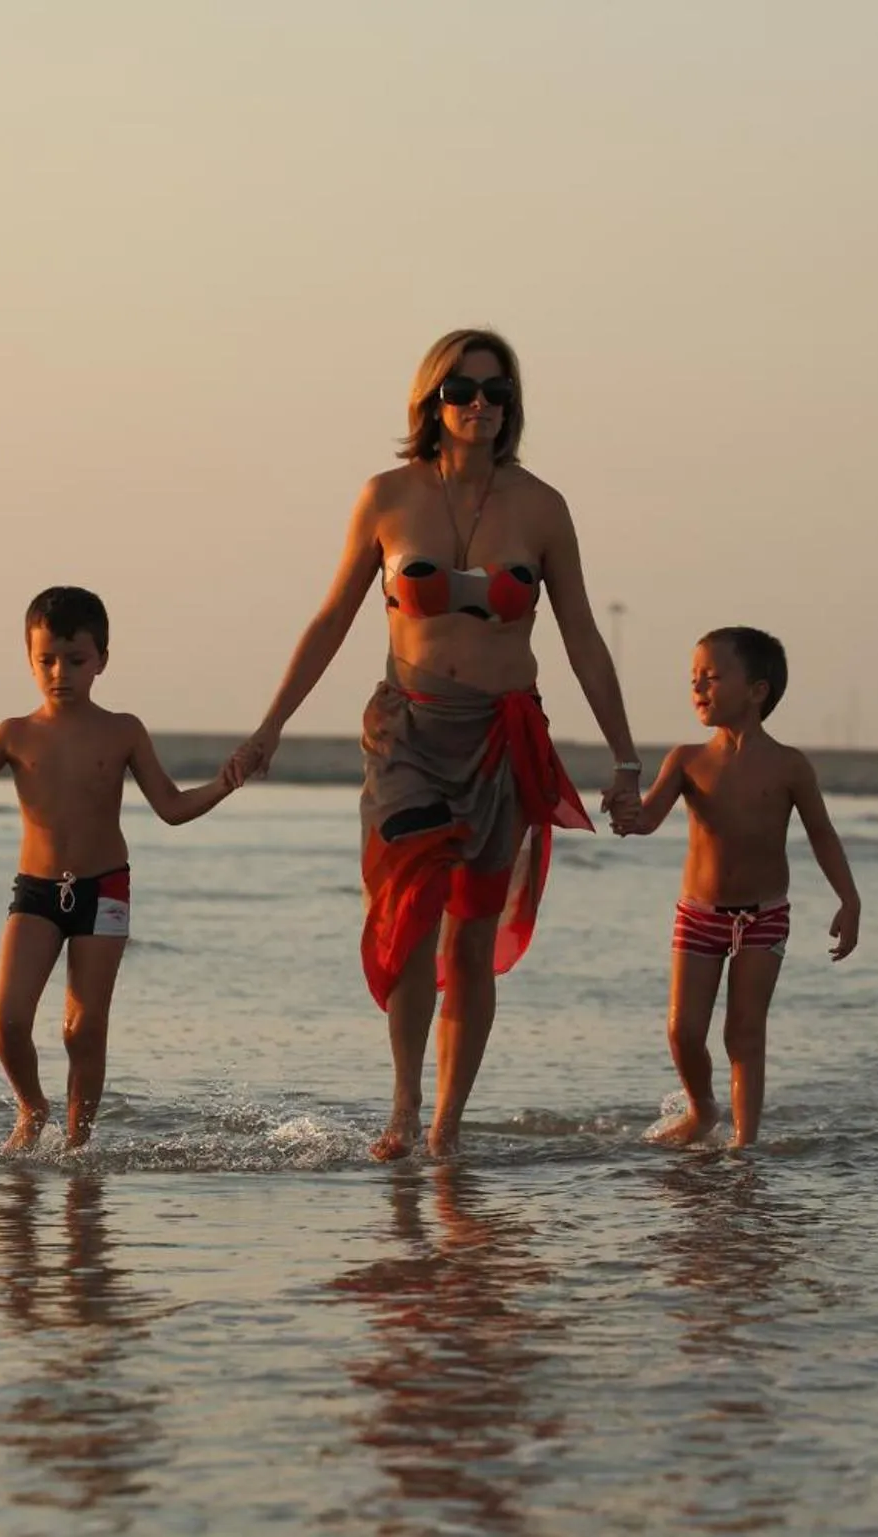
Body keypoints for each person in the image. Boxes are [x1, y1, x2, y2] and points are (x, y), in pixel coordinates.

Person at [227, 328, 641, 1161]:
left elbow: (585, 638)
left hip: (499, 737)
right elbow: (332, 619)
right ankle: (405, 1105)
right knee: (411, 918)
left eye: (496, 392)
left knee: (470, 937)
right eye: (462, 390)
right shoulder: (386, 496)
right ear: (431, 400)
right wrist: (270, 725)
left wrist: (627, 758)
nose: (480, 405)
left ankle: (447, 1126)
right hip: (407, 734)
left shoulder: (542, 507)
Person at [0, 587, 238, 1152]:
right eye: (46, 660)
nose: (60, 672)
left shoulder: (123, 730)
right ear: (29, 659)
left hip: (105, 888)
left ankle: (77, 1143)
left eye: (75, 660)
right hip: (37, 892)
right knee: (6, 1019)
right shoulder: (15, 733)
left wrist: (223, 784)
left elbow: (172, 808)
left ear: (102, 661)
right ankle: (32, 1107)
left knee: (84, 1027)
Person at [617, 626, 861, 1148]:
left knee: (744, 1033)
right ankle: (703, 1110)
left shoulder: (790, 765)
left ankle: (743, 1146)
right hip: (700, 914)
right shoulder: (686, 760)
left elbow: (821, 833)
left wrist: (849, 898)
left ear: (757, 691)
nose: (698, 687)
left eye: (712, 676)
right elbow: (647, 819)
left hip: (763, 916)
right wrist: (626, 813)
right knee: (683, 1031)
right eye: (693, 678)